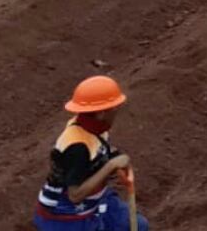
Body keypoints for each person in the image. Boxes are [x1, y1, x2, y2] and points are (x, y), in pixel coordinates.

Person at [35, 76, 147, 231]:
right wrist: (110, 166)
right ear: (101, 113)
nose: (117, 112)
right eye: (114, 108)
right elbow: (75, 196)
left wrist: (112, 157)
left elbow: (97, 150)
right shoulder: (77, 147)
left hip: (95, 201)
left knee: (138, 226)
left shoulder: (94, 127)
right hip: (65, 215)